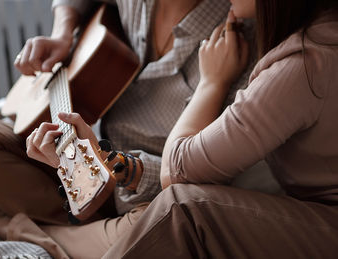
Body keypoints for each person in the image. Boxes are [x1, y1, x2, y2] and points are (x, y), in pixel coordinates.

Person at [0, 0, 256, 258]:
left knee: (165, 224)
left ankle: (17, 228)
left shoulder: (242, 44)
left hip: (146, 195)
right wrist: (63, 34)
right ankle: (79, 236)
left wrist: (110, 162)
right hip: (92, 162)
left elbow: (199, 175)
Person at [104, 0, 338, 258]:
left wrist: (211, 84)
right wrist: (64, 29)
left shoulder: (305, 63)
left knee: (182, 209)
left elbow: (176, 172)